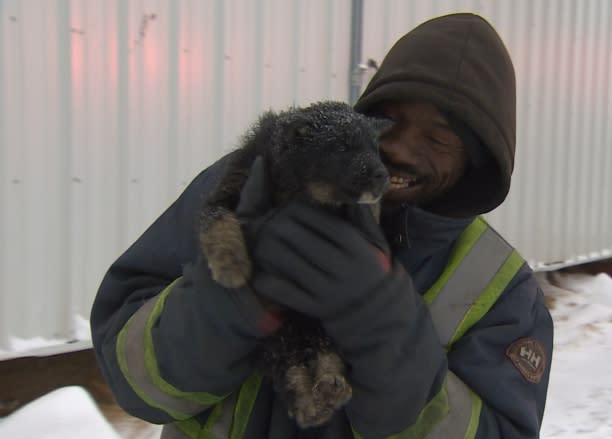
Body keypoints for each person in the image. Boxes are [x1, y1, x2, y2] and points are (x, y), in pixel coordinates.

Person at [91, 12, 553, 439]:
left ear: (476, 161)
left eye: (437, 138)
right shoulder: (254, 182)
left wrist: (389, 337)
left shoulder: (501, 289)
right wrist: (232, 301)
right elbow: (131, 380)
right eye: (389, 121)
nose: (402, 150)